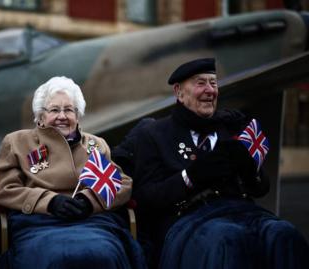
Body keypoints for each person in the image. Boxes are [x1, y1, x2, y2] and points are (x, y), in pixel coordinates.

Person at [113, 58, 309, 268]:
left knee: (284, 234)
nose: (210, 90)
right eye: (200, 83)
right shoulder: (154, 133)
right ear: (179, 92)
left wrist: (250, 168)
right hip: (190, 218)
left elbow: (260, 188)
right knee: (228, 240)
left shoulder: (231, 128)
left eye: (213, 83)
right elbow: (147, 198)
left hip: (243, 211)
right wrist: (191, 176)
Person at [0, 76, 147, 269]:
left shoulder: (95, 144)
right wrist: (49, 201)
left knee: (103, 254)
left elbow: (121, 184)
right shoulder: (17, 142)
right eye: (54, 110)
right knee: (52, 257)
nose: (62, 116)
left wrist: (89, 202)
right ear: (40, 115)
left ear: (78, 115)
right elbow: (4, 188)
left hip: (92, 222)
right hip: (40, 223)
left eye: (69, 110)